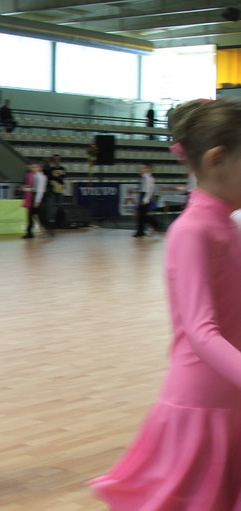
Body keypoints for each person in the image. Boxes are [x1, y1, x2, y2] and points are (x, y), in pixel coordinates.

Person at [90, 98, 241, 509]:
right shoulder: (192, 231)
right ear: (216, 160)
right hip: (203, 403)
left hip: (231, 397)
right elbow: (201, 332)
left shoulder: (228, 226)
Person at [22, 159, 47, 239]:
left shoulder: (41, 177)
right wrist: (26, 189)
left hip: (38, 198)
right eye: (32, 167)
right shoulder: (36, 176)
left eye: (35, 167)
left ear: (40, 168)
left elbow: (40, 190)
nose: (33, 168)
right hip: (35, 196)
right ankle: (30, 232)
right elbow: (35, 188)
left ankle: (33, 232)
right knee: (33, 215)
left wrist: (37, 201)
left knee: (38, 215)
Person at [133, 162, 159, 237]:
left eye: (143, 168)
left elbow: (149, 190)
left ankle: (154, 223)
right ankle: (140, 231)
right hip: (142, 195)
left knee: (142, 215)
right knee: (141, 215)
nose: (142, 169)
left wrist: (145, 199)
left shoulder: (149, 178)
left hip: (145, 196)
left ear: (148, 169)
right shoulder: (144, 177)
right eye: (142, 168)